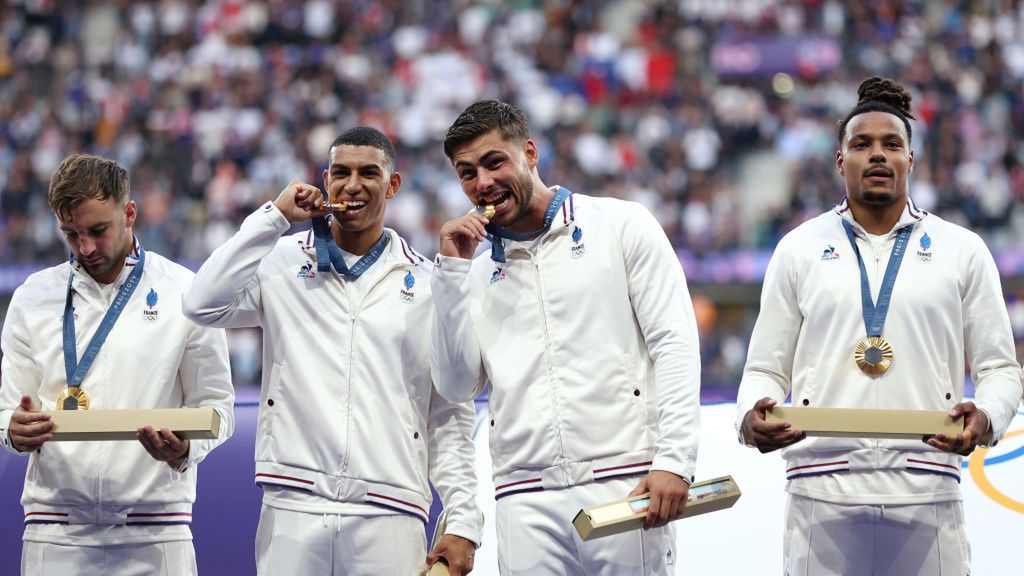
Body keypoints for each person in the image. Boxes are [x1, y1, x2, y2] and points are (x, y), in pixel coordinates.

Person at [736, 77, 1024, 575]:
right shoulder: (798, 248)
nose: (876, 154)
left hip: (927, 487)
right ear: (839, 160)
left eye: (892, 144)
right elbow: (764, 368)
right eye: (861, 144)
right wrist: (749, 417)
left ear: (911, 160)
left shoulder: (962, 249)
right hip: (821, 491)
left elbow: (1000, 367)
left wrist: (988, 418)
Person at [182, 127, 482, 575]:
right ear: (326, 181)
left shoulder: (425, 284)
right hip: (293, 506)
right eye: (340, 173)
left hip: (390, 511)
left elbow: (448, 416)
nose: (352, 184)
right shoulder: (281, 262)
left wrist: (462, 520)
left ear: (393, 185)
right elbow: (201, 303)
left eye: (368, 173)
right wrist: (273, 218)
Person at [432, 100, 702, 575]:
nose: (483, 183)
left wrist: (675, 460)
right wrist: (452, 272)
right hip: (523, 497)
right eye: (467, 172)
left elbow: (674, 343)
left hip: (622, 481)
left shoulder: (620, 224)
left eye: (495, 162)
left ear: (530, 153)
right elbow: (456, 388)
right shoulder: (471, 275)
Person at [0, 153, 236, 575]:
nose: (85, 247)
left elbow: (218, 407)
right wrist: (12, 431)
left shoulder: (185, 293)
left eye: (97, 230)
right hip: (54, 532)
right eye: (70, 234)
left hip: (155, 532)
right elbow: (6, 409)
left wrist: (186, 448)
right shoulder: (33, 297)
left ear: (129, 213)